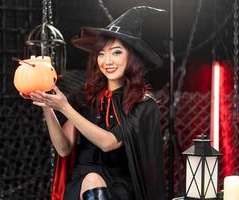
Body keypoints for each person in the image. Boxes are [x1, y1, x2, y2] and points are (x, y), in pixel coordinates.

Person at [26, 6, 166, 200]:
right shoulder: (85, 96)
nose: (107, 60)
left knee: (94, 180)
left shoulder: (143, 103)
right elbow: (64, 148)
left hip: (120, 187)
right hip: (80, 181)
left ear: (131, 57)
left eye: (116, 52)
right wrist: (48, 106)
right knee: (91, 179)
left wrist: (65, 107)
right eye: (101, 53)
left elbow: (109, 142)